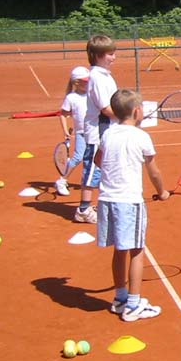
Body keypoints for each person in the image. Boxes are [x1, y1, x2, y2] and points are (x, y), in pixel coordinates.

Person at [94, 89, 169, 321]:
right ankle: (134, 304)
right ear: (137, 112)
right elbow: (154, 172)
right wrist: (162, 192)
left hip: (107, 200)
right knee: (137, 250)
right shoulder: (141, 137)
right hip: (130, 202)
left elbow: (98, 160)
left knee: (119, 250)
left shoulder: (107, 134)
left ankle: (120, 298)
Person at [75, 35, 118, 223]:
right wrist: (127, 117)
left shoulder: (104, 76)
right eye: (110, 54)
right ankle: (83, 210)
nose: (114, 57)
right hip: (98, 131)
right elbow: (105, 108)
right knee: (93, 168)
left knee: (105, 167)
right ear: (98, 56)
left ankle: (101, 204)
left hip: (107, 129)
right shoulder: (97, 78)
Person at [54, 66, 90, 197]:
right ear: (76, 82)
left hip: (95, 132)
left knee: (97, 157)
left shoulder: (93, 94)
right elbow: (63, 114)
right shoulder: (71, 97)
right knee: (78, 157)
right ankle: (62, 181)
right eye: (85, 81)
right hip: (81, 132)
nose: (89, 82)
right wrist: (65, 131)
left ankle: (89, 180)